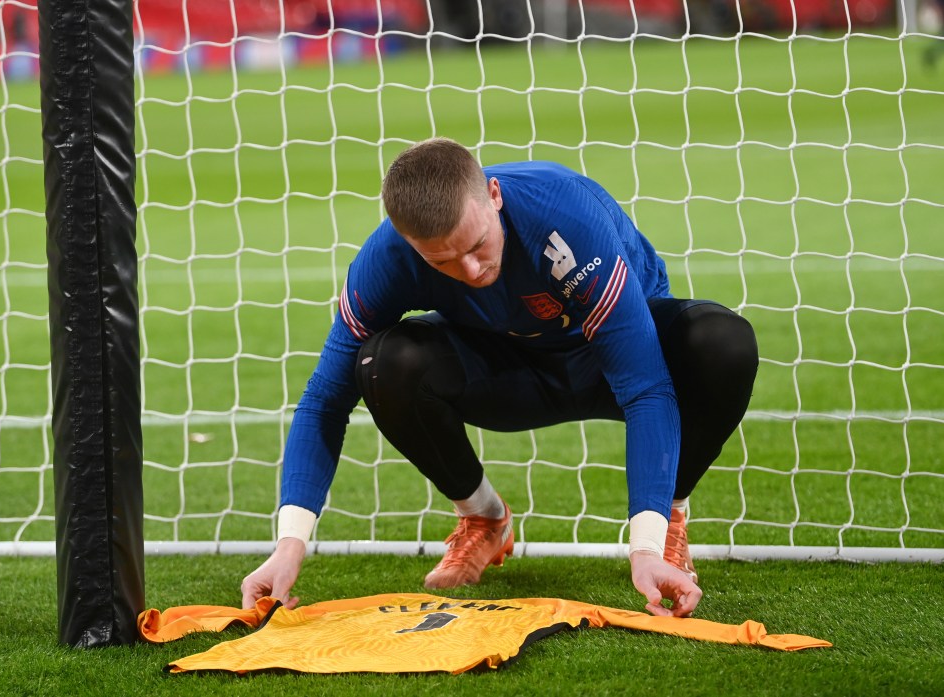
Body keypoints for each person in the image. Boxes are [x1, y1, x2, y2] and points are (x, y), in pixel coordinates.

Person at [241, 137, 758, 618]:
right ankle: (484, 519)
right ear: (406, 240)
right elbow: (324, 401)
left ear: (493, 195)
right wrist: (289, 545)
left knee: (721, 342)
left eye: (478, 245)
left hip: (609, 358)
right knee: (384, 360)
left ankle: (667, 520)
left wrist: (644, 546)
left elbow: (645, 386)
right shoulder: (388, 259)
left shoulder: (564, 215)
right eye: (442, 260)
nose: (470, 270)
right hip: (507, 371)